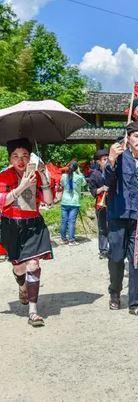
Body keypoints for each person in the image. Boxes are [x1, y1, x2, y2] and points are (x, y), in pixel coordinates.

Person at [0, 138, 54, 327]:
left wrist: (43, 175)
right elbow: (2, 201)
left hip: (33, 225)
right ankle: (22, 286)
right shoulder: (4, 176)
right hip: (11, 226)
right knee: (19, 267)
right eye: (15, 156)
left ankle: (33, 311)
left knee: (33, 264)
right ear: (10, 159)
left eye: (24, 156)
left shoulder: (36, 175)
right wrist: (21, 187)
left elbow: (48, 201)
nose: (20, 160)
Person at [104, 121, 138, 315]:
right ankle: (115, 292)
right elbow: (106, 181)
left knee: (137, 260)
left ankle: (135, 302)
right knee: (116, 256)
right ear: (128, 137)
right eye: (137, 136)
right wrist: (111, 160)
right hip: (118, 213)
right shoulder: (119, 158)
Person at [87, 149, 110, 258]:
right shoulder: (94, 175)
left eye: (108, 159)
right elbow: (93, 192)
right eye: (104, 159)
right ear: (98, 162)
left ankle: (114, 248)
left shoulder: (113, 171)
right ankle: (103, 250)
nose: (107, 161)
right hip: (101, 204)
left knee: (114, 226)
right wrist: (102, 188)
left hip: (113, 203)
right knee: (102, 227)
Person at [59, 161, 86, 246]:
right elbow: (84, 183)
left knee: (64, 221)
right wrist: (80, 172)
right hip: (74, 202)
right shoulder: (79, 177)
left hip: (64, 201)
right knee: (71, 221)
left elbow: (62, 184)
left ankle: (63, 239)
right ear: (76, 168)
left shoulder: (63, 176)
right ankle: (71, 240)